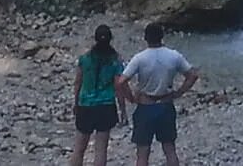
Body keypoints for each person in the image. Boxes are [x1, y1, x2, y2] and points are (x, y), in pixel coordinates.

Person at [115, 23, 200, 166]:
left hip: (145, 106)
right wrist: (179, 92)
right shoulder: (174, 55)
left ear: (145, 38)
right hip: (166, 105)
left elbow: (121, 81)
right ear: (162, 36)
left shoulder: (140, 58)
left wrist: (130, 97)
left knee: (142, 154)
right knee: (170, 150)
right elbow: (192, 75)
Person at [70, 24, 126, 166]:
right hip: (106, 105)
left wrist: (76, 103)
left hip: (86, 105)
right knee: (101, 150)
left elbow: (78, 83)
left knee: (79, 149)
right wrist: (123, 109)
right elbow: (119, 86)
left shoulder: (85, 59)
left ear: (95, 39)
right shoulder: (115, 61)